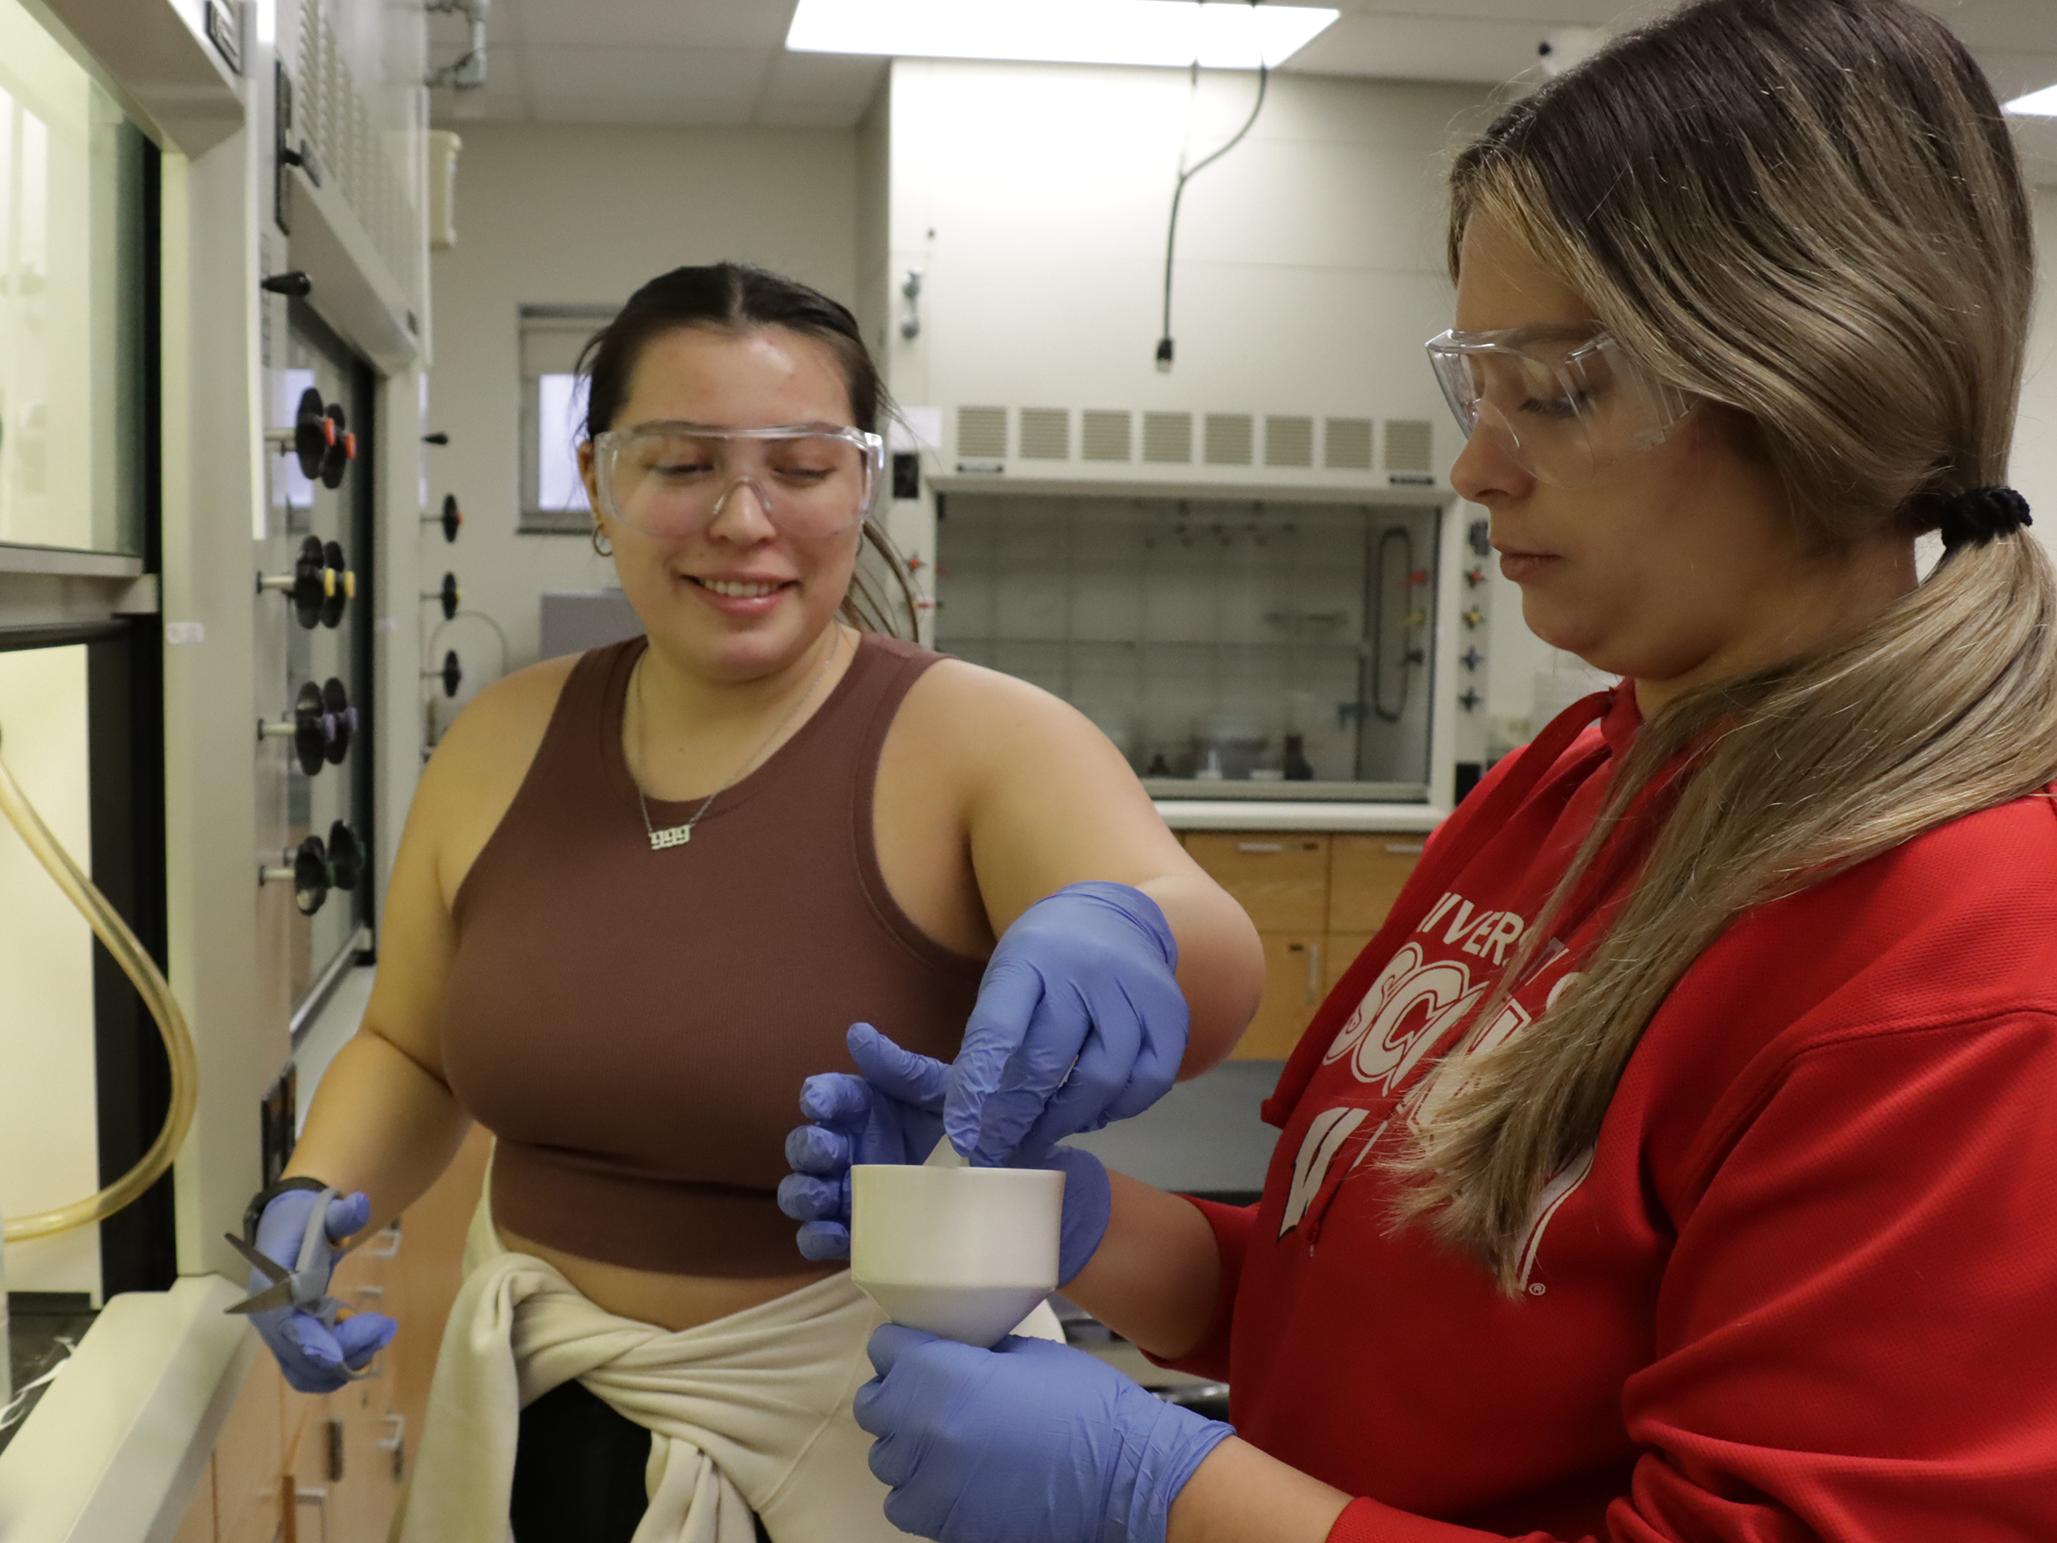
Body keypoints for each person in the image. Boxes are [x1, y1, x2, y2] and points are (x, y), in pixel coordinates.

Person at [780, 1, 2057, 1538]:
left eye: (1558, 391)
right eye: (1479, 384)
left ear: (1809, 375)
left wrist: (1161, 1494)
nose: (1474, 466)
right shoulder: (1577, 779)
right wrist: (1072, 1222)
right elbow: (1355, 1294)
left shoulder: (1959, 956)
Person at [232, 262, 1266, 1541]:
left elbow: (1206, 957)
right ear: (601, 484)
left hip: (886, 1434)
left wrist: (1138, 925)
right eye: (679, 464)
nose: (741, 517)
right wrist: (309, 1197)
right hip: (541, 1416)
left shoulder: (981, 739)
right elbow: (407, 1046)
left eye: (801, 465)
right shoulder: (497, 741)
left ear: (861, 487)